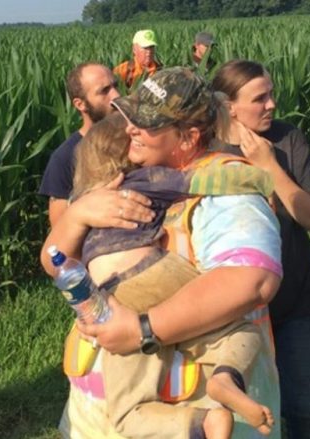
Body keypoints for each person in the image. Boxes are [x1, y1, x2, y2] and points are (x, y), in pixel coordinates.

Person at [43, 67, 283, 438]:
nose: (131, 129)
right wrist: (77, 215)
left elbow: (253, 282)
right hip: (102, 411)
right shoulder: (120, 181)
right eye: (133, 117)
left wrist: (141, 329)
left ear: (187, 138)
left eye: (147, 124)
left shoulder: (225, 191)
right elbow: (54, 259)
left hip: (194, 411)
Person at [212, 60, 310, 439]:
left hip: (297, 302)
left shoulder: (286, 140)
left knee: (304, 413)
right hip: (236, 314)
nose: (272, 104)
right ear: (229, 106)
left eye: (271, 94)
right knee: (252, 420)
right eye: (259, 98)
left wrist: (269, 167)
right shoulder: (208, 152)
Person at [39, 62, 120, 226]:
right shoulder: (64, 158)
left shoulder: (137, 139)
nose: (116, 96)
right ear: (80, 104)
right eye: (104, 91)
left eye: (115, 86)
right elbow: (60, 228)